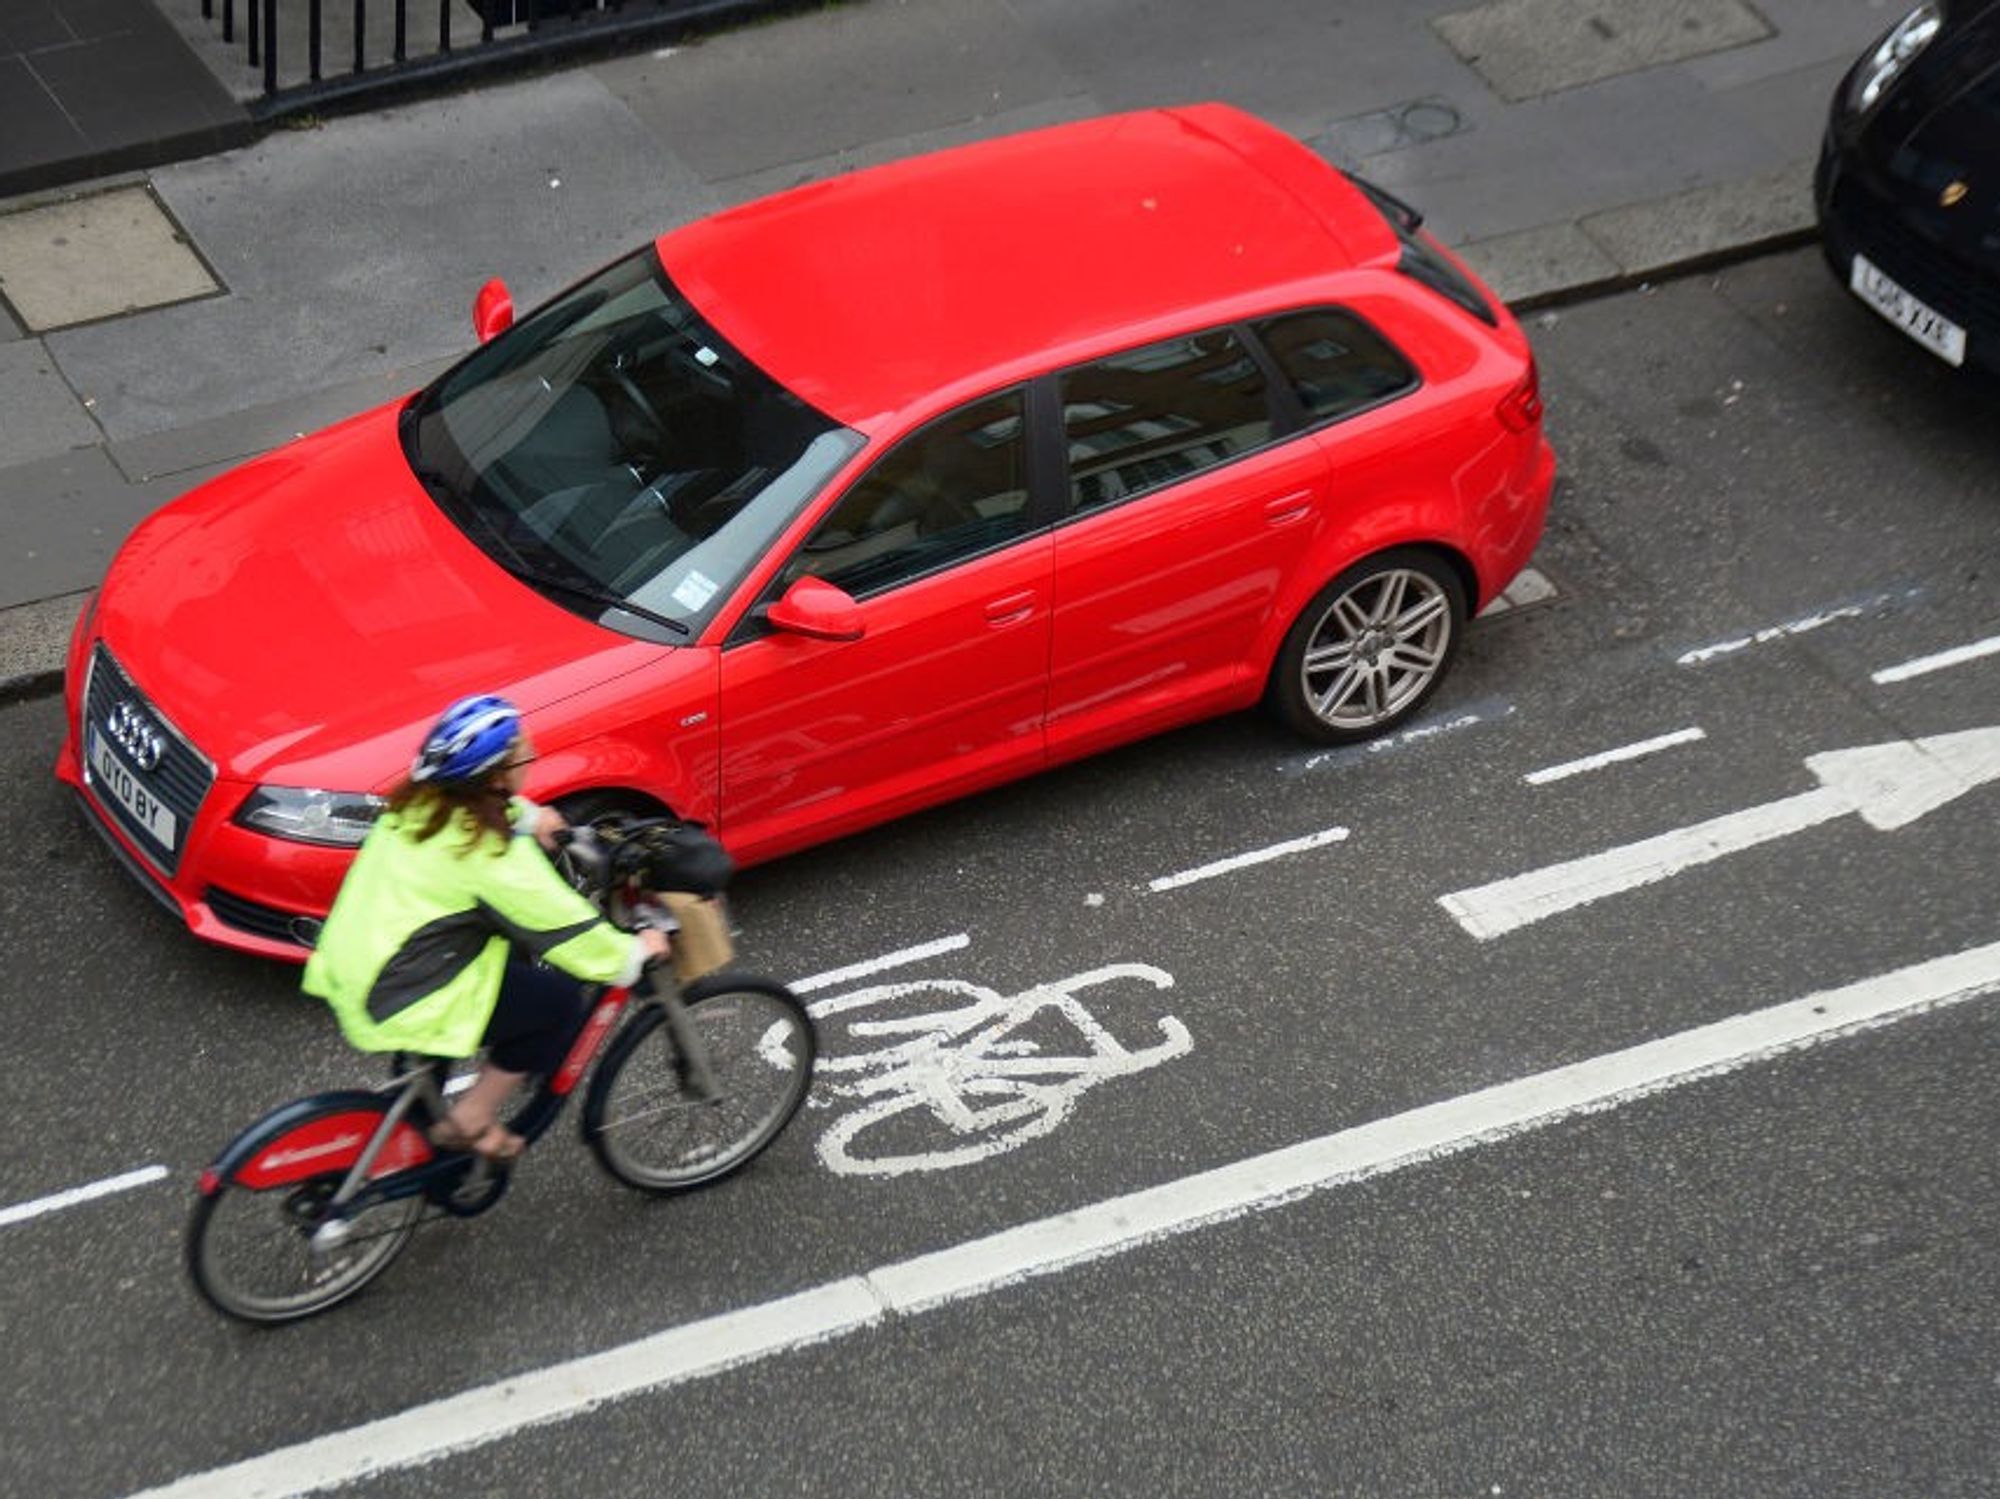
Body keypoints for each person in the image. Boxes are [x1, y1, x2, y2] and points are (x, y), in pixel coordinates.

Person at [302, 693, 669, 1161]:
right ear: (496, 777)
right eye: (522, 754)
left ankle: (412, 1140)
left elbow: (485, 812)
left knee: (433, 1055)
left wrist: (531, 817)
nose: (528, 759)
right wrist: (636, 952)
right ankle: (472, 1119)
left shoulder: (418, 808)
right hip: (406, 990)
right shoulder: (491, 859)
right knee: (556, 1003)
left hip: (362, 962)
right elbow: (567, 931)